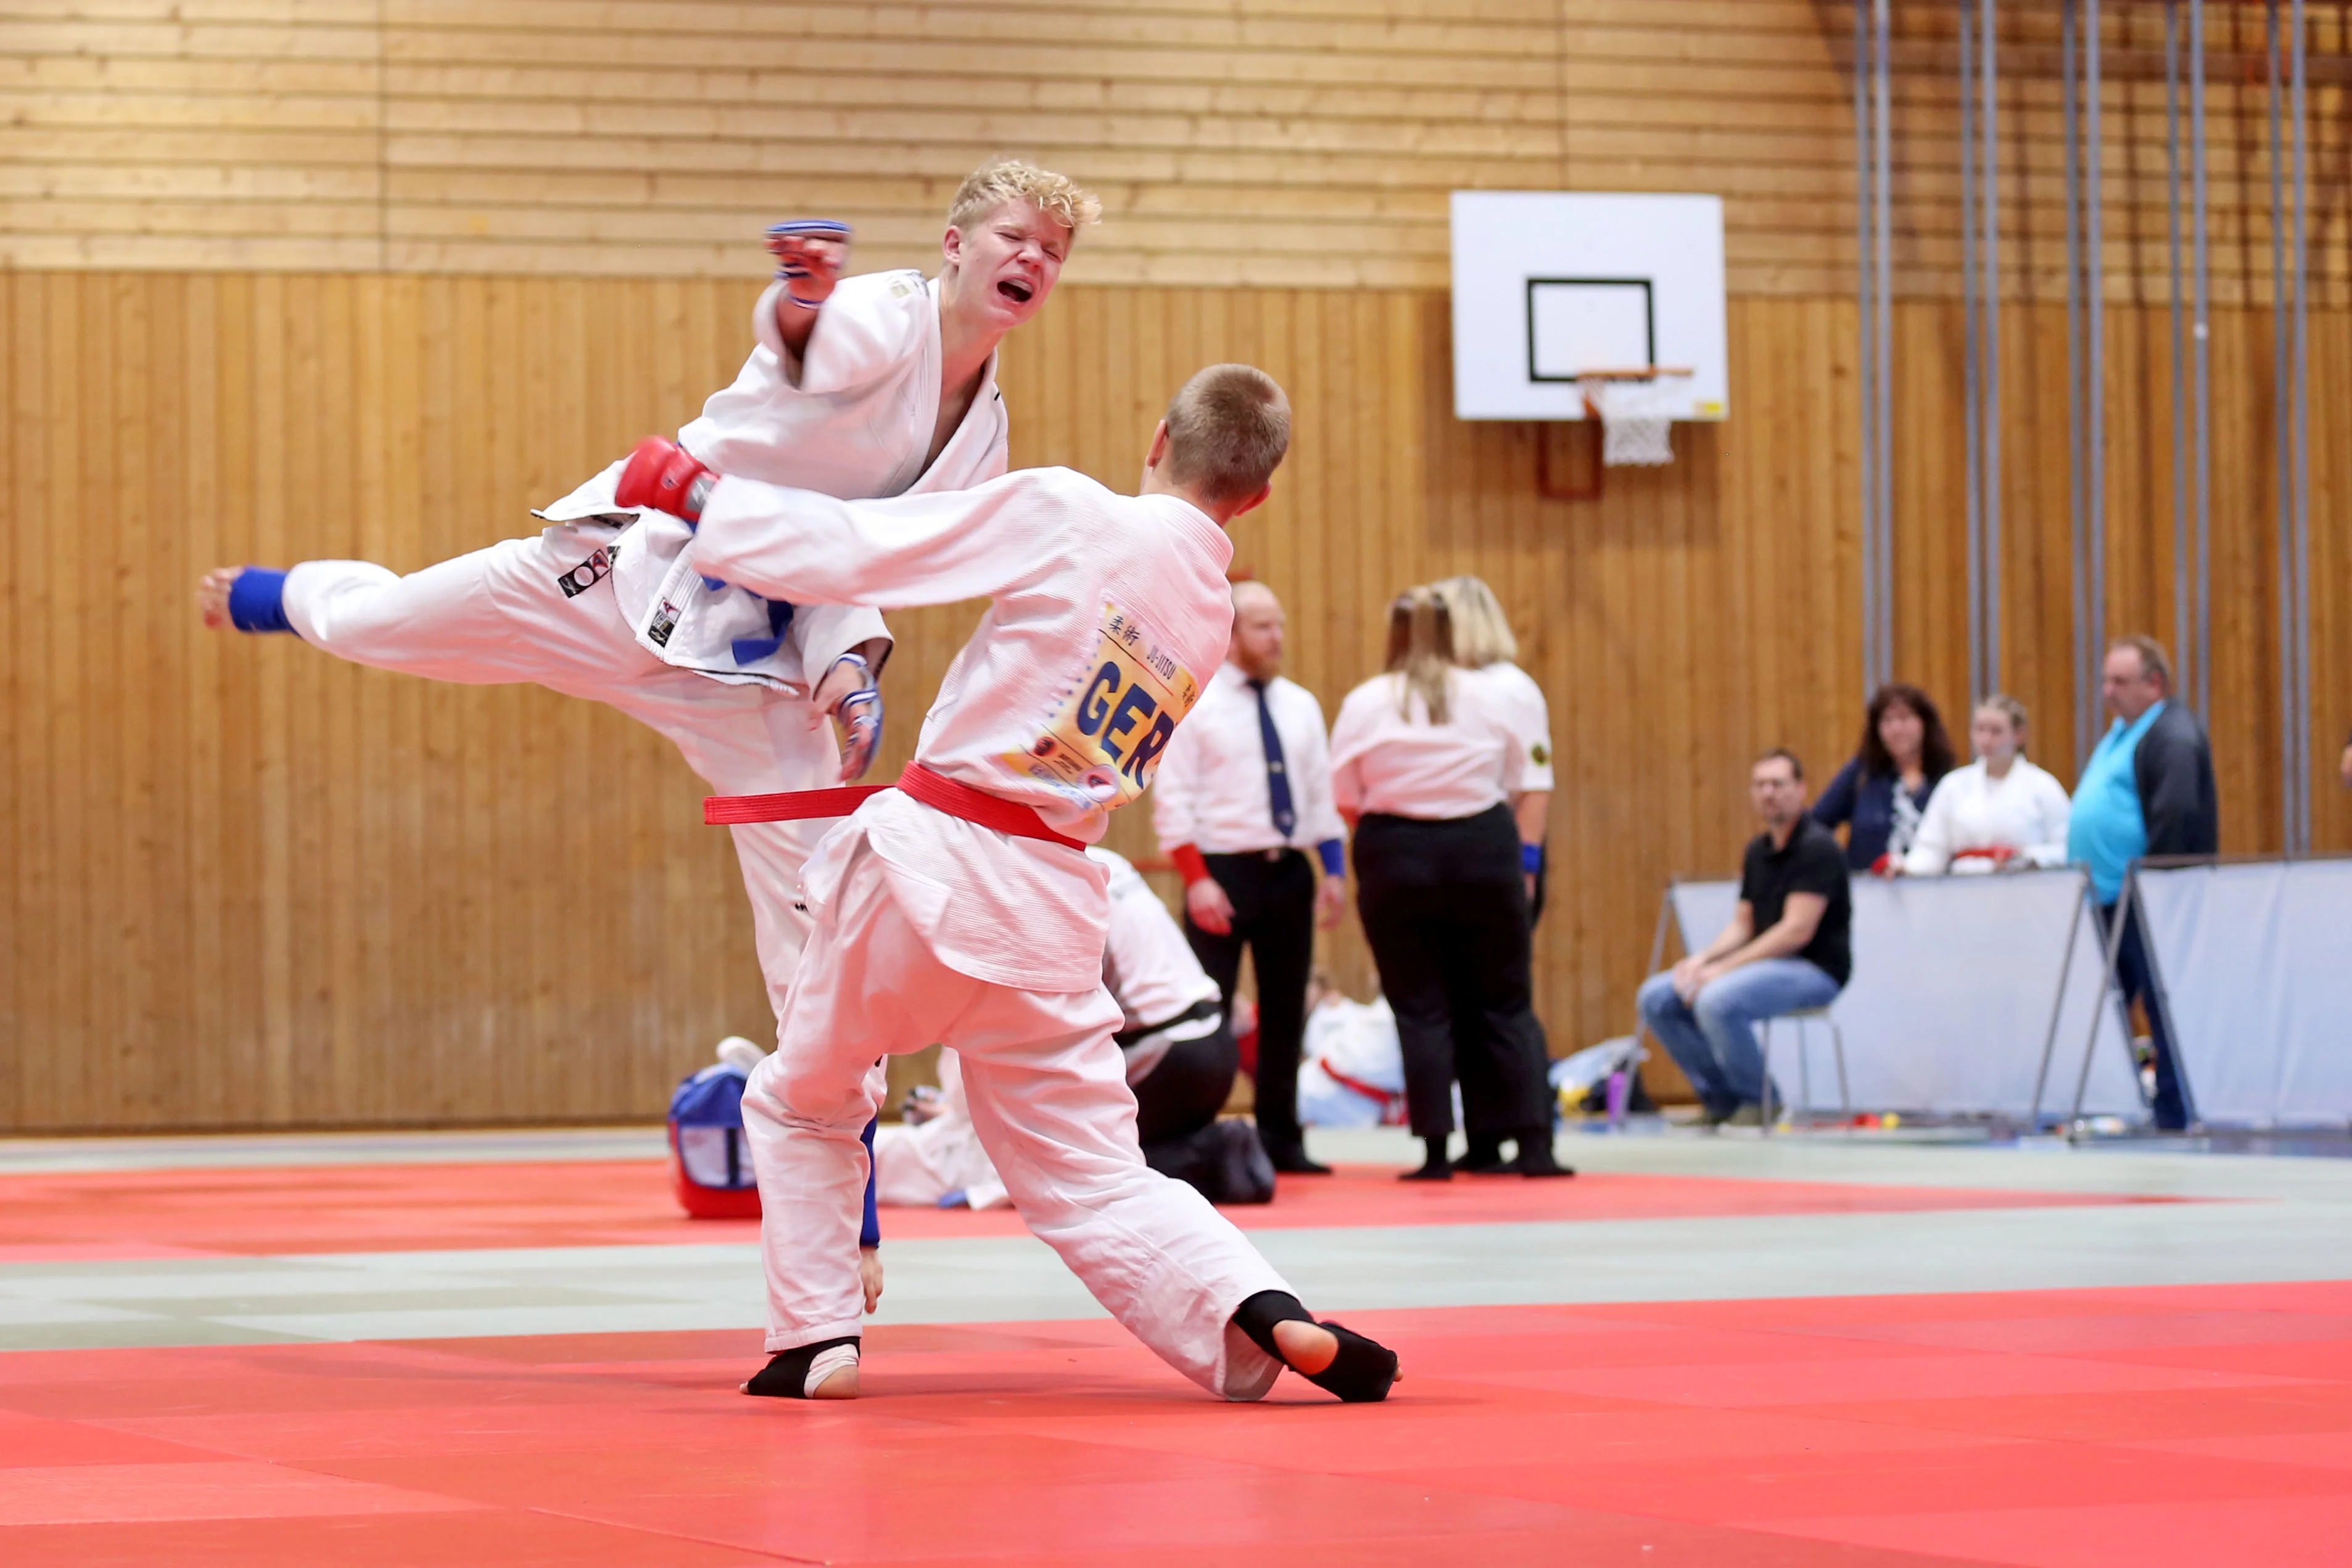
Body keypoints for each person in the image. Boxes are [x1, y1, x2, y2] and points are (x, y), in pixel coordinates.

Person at [194, 159, 1096, 1050]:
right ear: (955, 244)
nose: (1033, 258)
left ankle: (828, 1116)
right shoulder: (888, 311)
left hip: (745, 664)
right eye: (1014, 236)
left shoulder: (985, 440)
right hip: (622, 577)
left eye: (1052, 250)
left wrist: (849, 666)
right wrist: (802, 299)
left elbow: (857, 562)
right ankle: (274, 596)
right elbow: (817, 348)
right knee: (375, 625)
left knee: (815, 882)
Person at [635, 363, 1397, 1404]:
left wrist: (702, 502)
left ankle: (815, 1339)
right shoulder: (1210, 611)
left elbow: (871, 548)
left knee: (806, 1100)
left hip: (932, 864)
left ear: (1156, 438)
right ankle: (1259, 1307)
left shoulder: (1074, 511)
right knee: (1093, 1173)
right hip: (1049, 905)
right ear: (1256, 496)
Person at [870, 848, 1275, 1209]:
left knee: (1064, 1161)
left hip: (1166, 1057)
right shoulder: (1103, 860)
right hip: (1214, 1042)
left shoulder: (1038, 887)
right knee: (1099, 1138)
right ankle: (1204, 1149)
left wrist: (966, 1113)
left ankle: (1210, 1159)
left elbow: (1039, 1029)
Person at [1327, 587, 1568, 1182]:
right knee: (1505, 1002)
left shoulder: (1366, 701)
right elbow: (1526, 777)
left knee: (1420, 1009)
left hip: (1396, 853)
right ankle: (1534, 1145)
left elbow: (1343, 794)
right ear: (1450, 630)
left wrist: (1394, 834)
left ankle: (1436, 1151)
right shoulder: (1492, 694)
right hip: (1482, 847)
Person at [1150, 582, 1347, 1175]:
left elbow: (1319, 794)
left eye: (1279, 625)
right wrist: (1196, 880)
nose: (1277, 638)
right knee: (1208, 1012)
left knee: (1286, 1011)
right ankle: (1199, 1136)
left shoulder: (1299, 705)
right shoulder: (1196, 703)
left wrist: (1333, 871)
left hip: (1286, 871)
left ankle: (1282, 1138)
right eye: (1263, 627)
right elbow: (1173, 799)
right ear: (1231, 634)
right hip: (1221, 871)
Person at [1638, 749, 1853, 1128]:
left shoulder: (1817, 848)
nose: (1769, 793)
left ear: (1800, 789)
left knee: (1717, 999)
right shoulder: (1757, 851)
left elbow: (1795, 932)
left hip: (1813, 970)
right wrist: (1702, 961)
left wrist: (1723, 971)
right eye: (1761, 785)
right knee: (1657, 997)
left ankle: (1760, 1100)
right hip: (1765, 966)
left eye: (1778, 784)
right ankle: (1720, 1099)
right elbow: (1743, 925)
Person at [2068, 635, 2218, 1132]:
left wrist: (2151, 883)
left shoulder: (2171, 734)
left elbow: (2177, 812)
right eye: (2105, 680)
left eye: (2120, 681)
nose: (2107, 691)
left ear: (2153, 684)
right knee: (2108, 1008)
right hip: (2110, 897)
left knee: (2161, 1002)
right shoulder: (2124, 732)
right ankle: (2117, 1102)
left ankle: (2174, 1111)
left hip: (2146, 899)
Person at [1432, 575, 1555, 1172]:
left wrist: (1525, 868)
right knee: (1463, 1004)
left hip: (1507, 850)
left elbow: (1535, 782)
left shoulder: (1512, 688)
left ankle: (1533, 1133)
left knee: (1504, 1001)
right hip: (1467, 855)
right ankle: (1484, 1133)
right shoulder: (1450, 686)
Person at [1899, 695, 2072, 875]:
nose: (1986, 740)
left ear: (2019, 735)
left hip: (2024, 885)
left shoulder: (2042, 786)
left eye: (1996, 732)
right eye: (1980, 729)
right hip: (1965, 885)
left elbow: (2066, 848)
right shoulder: (1954, 786)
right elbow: (1932, 848)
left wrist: (2026, 858)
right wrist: (1907, 868)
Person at [1814, 683, 1958, 872]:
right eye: (1887, 721)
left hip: (1934, 884)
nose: (1896, 729)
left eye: (1904, 718)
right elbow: (1817, 823)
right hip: (1868, 883)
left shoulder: (1948, 779)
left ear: (1925, 723)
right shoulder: (1862, 773)